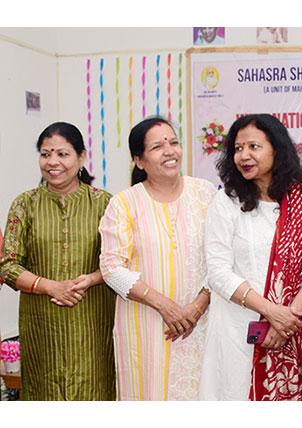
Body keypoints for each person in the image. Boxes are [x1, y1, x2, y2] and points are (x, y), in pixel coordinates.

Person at [199, 114, 302, 400]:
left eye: (253, 147)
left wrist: (287, 320)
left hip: (300, 325)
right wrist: (273, 313)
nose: (244, 156)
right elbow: (218, 272)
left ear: (277, 149)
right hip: (239, 331)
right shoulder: (226, 202)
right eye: (237, 149)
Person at [99, 117, 216, 400]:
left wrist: (197, 307)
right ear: (139, 160)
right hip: (147, 325)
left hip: (201, 323)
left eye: (173, 143)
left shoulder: (205, 193)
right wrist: (164, 305)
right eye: (157, 147)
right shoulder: (124, 203)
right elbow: (111, 268)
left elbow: (222, 258)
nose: (169, 151)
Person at [0, 122, 116, 400]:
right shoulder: (24, 204)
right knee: (44, 394)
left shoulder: (105, 204)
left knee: (94, 392)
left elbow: (120, 261)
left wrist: (90, 279)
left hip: (91, 322)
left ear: (81, 157)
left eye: (62, 154)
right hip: (42, 324)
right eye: (45, 153)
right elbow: (8, 265)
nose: (53, 162)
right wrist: (50, 286)